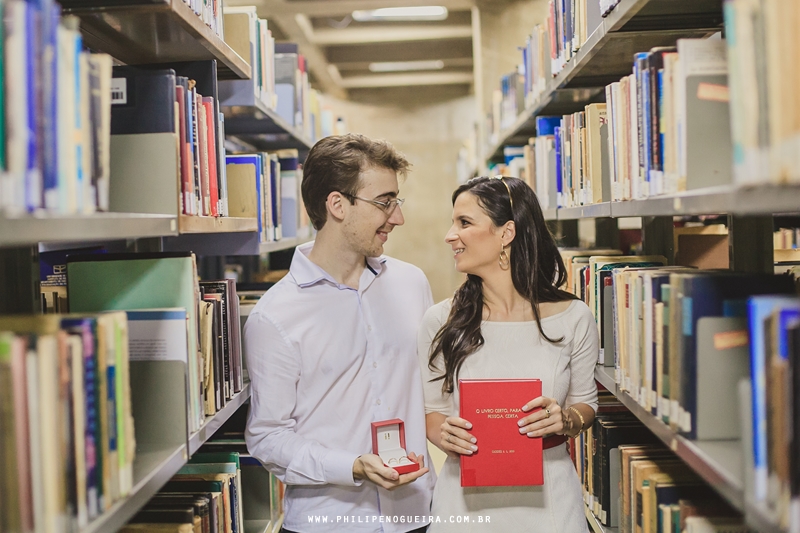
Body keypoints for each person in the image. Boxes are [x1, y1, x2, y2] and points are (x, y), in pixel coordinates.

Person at [244, 134, 434, 533]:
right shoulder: (274, 316)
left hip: (416, 514)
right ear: (337, 205)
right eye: (385, 202)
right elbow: (268, 437)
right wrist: (351, 466)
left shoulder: (412, 284)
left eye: (397, 202)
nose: (397, 217)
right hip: (330, 522)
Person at [418, 176, 598, 532]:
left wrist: (565, 419)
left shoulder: (574, 316)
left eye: (464, 223)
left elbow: (586, 403)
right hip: (464, 505)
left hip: (551, 501)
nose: (449, 235)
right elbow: (432, 412)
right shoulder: (441, 320)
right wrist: (444, 435)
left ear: (507, 233)